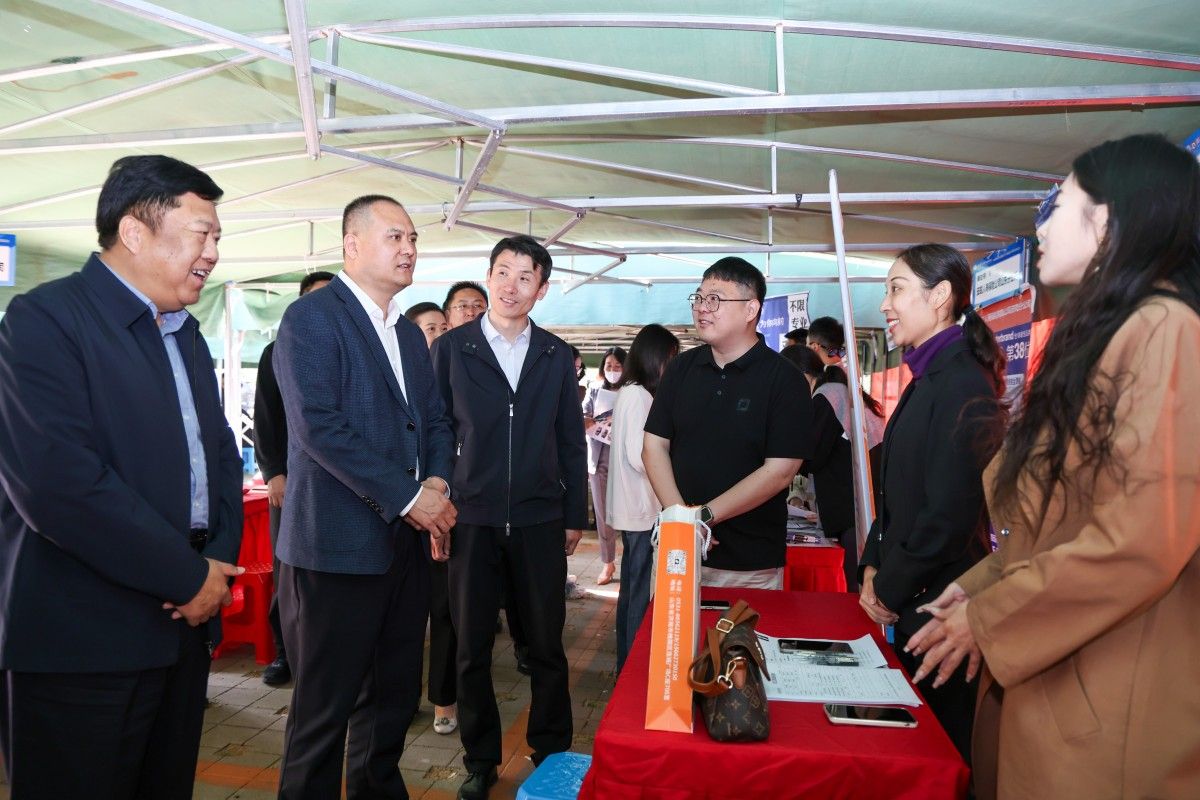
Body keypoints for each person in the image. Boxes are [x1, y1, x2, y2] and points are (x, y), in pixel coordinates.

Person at [906, 134, 1200, 800]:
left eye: (1058, 205)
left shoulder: (1164, 328)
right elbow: (1057, 524)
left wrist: (991, 617)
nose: (1040, 226)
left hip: (1109, 692)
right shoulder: (1108, 333)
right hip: (1058, 677)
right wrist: (979, 590)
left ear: (1111, 217)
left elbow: (1141, 539)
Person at [0, 154, 245, 799]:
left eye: (217, 236)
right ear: (135, 231)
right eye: (202, 233)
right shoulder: (45, 320)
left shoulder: (185, 333)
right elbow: (58, 484)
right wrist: (188, 576)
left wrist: (215, 568)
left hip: (183, 628)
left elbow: (220, 457)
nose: (213, 253)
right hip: (83, 640)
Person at [272, 194, 457, 799]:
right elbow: (318, 426)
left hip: (403, 548)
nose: (409, 249)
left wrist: (437, 482)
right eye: (394, 237)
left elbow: (434, 421)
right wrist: (409, 498)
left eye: (413, 238)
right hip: (336, 547)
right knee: (324, 711)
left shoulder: (407, 333)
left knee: (391, 700)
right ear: (352, 245)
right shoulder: (312, 318)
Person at [431, 235, 587, 800]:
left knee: (545, 644)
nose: (511, 285)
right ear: (489, 275)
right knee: (471, 646)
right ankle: (480, 759)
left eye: (525, 277)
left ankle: (551, 752)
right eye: (503, 272)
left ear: (541, 289)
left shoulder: (554, 354)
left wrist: (574, 514)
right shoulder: (453, 349)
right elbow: (436, 430)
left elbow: (570, 439)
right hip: (469, 518)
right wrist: (437, 503)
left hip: (539, 519)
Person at [858, 242, 1007, 764]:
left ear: (940, 295)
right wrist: (872, 564)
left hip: (942, 611)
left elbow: (948, 515)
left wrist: (888, 587)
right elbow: (895, 496)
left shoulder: (963, 382)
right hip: (914, 599)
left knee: (938, 758)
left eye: (897, 289)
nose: (885, 305)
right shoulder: (927, 379)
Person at [644, 257, 811, 590]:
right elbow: (653, 445)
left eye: (715, 299)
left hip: (750, 566)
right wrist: (682, 519)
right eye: (699, 297)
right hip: (677, 552)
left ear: (751, 309)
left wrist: (703, 517)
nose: (702, 308)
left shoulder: (785, 379)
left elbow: (780, 471)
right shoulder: (680, 369)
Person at [253, 270, 335, 688]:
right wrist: (274, 473)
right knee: (288, 571)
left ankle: (326, 652)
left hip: (338, 485)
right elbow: (265, 417)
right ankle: (285, 651)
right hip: (291, 481)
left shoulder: (348, 348)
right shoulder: (277, 350)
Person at [780, 345, 885, 592]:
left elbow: (812, 456)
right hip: (859, 506)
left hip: (853, 509)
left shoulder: (827, 396)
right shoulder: (836, 391)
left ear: (802, 375)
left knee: (858, 584)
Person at [607, 325, 679, 672]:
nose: (672, 366)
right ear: (654, 357)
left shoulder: (633, 392)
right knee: (637, 591)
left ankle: (627, 664)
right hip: (640, 509)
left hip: (636, 508)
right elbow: (641, 456)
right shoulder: (638, 395)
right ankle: (632, 666)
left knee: (632, 589)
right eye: (670, 358)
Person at [401, 299, 458, 734]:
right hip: (396, 511)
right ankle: (401, 698)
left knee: (444, 611)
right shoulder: (397, 374)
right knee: (401, 618)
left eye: (443, 327)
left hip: (441, 506)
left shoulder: (453, 375)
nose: (439, 335)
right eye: (429, 329)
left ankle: (443, 698)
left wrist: (438, 492)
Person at [582, 345, 626, 585]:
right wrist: (588, 420)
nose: (613, 370)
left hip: (626, 463)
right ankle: (607, 562)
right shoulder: (594, 390)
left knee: (626, 513)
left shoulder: (632, 392)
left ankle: (630, 559)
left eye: (618, 366)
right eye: (609, 366)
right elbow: (581, 416)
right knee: (603, 514)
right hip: (599, 461)